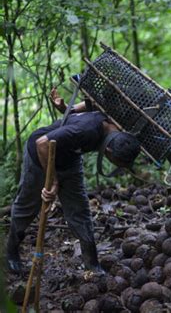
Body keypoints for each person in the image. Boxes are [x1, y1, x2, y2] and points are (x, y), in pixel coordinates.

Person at [6, 88, 141, 274]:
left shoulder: (116, 123)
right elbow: (42, 144)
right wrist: (52, 179)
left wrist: (64, 107)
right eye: (115, 162)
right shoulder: (86, 132)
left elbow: (83, 109)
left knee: (80, 211)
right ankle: (11, 251)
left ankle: (92, 264)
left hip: (70, 160)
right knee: (27, 206)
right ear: (108, 152)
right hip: (40, 157)